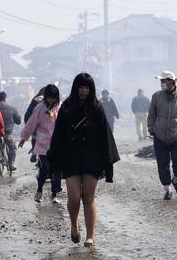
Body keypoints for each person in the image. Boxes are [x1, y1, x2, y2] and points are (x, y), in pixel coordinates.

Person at [48, 73, 120, 247]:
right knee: (73, 198)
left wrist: (107, 160)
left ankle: (90, 236)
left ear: (91, 89)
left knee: (88, 197)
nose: (83, 91)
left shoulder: (96, 108)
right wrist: (55, 159)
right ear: (76, 88)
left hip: (92, 158)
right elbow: (58, 136)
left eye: (87, 88)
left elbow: (105, 135)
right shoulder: (66, 107)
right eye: (81, 88)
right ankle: (74, 225)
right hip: (71, 158)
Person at [148, 70, 177, 200]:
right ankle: (167, 189)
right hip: (160, 136)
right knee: (162, 164)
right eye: (161, 81)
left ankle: (176, 178)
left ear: (172, 81)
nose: (162, 83)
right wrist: (151, 129)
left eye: (164, 81)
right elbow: (152, 114)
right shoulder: (156, 96)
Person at [19, 85, 61, 203]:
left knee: (56, 170)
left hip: (57, 145)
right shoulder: (39, 108)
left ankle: (54, 194)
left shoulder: (60, 108)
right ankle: (39, 190)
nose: (51, 100)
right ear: (45, 97)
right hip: (43, 144)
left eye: (53, 98)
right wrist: (23, 138)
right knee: (45, 168)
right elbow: (31, 123)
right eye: (49, 97)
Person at [0, 91, 21, 171]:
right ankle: (11, 164)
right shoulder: (11, 107)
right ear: (5, 98)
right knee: (12, 148)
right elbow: (18, 120)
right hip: (7, 134)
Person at [24, 87, 45, 163]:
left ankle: (34, 151)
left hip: (35, 124)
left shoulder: (35, 99)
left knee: (35, 137)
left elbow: (28, 114)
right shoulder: (52, 101)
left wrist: (28, 125)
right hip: (46, 126)